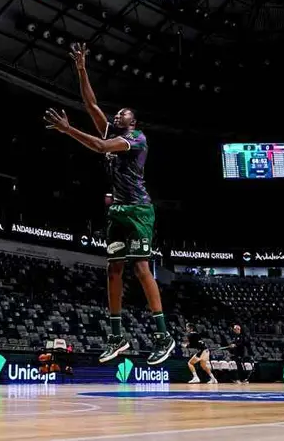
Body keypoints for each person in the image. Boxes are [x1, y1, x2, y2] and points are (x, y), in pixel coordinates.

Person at [44, 42, 174, 366]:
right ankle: (116, 337)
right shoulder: (112, 130)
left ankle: (163, 336)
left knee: (142, 268)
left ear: (133, 121)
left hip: (139, 210)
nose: (118, 115)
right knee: (113, 270)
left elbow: (101, 145)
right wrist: (81, 68)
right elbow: (91, 103)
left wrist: (67, 129)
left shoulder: (137, 139)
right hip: (117, 211)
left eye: (123, 114)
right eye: (117, 114)